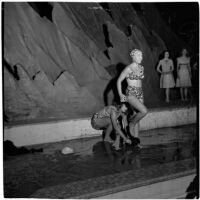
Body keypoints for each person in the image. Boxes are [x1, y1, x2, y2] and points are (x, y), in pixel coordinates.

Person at [117, 49, 148, 146]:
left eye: (141, 56)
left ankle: (136, 140)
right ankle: (131, 124)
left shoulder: (141, 67)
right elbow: (118, 81)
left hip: (140, 92)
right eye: (138, 56)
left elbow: (139, 81)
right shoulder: (128, 68)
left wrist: (141, 93)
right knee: (144, 111)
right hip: (131, 93)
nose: (141, 58)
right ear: (133, 57)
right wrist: (121, 95)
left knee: (137, 115)